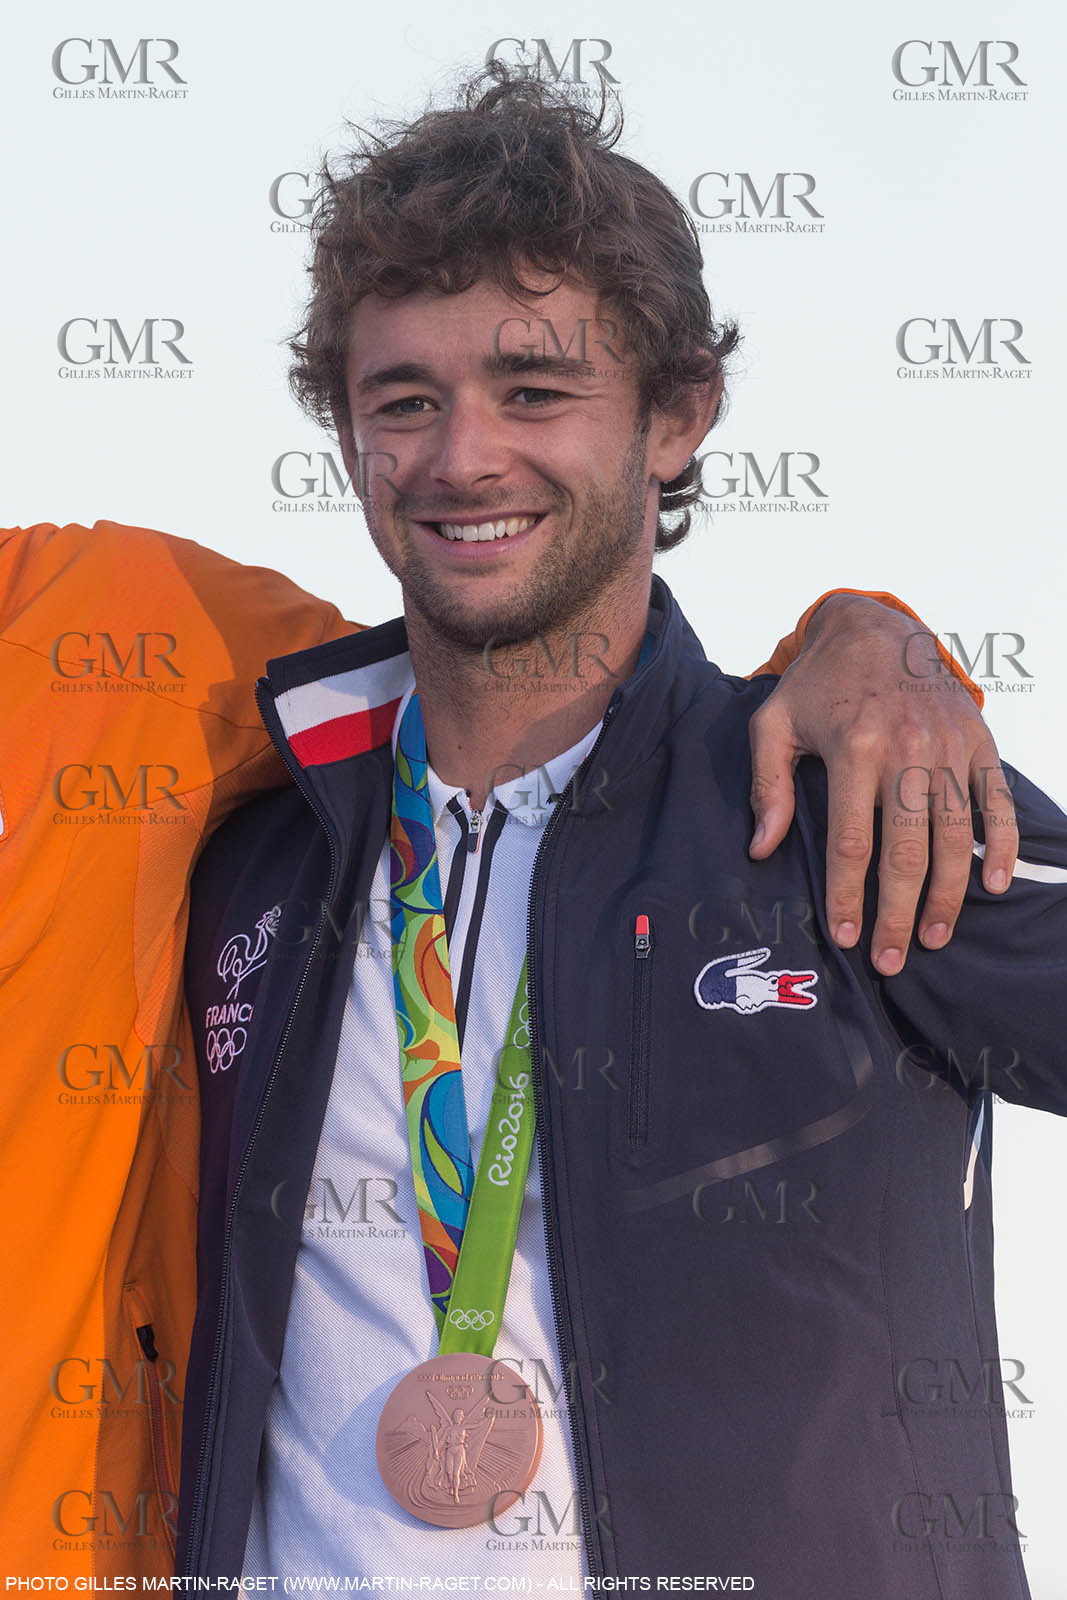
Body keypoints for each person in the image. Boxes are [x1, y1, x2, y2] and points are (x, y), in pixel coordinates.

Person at [175, 71, 1057, 1598]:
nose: (462, 457)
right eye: (404, 400)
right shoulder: (253, 855)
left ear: (678, 414)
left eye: (534, 390)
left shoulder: (844, 795)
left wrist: (879, 632)